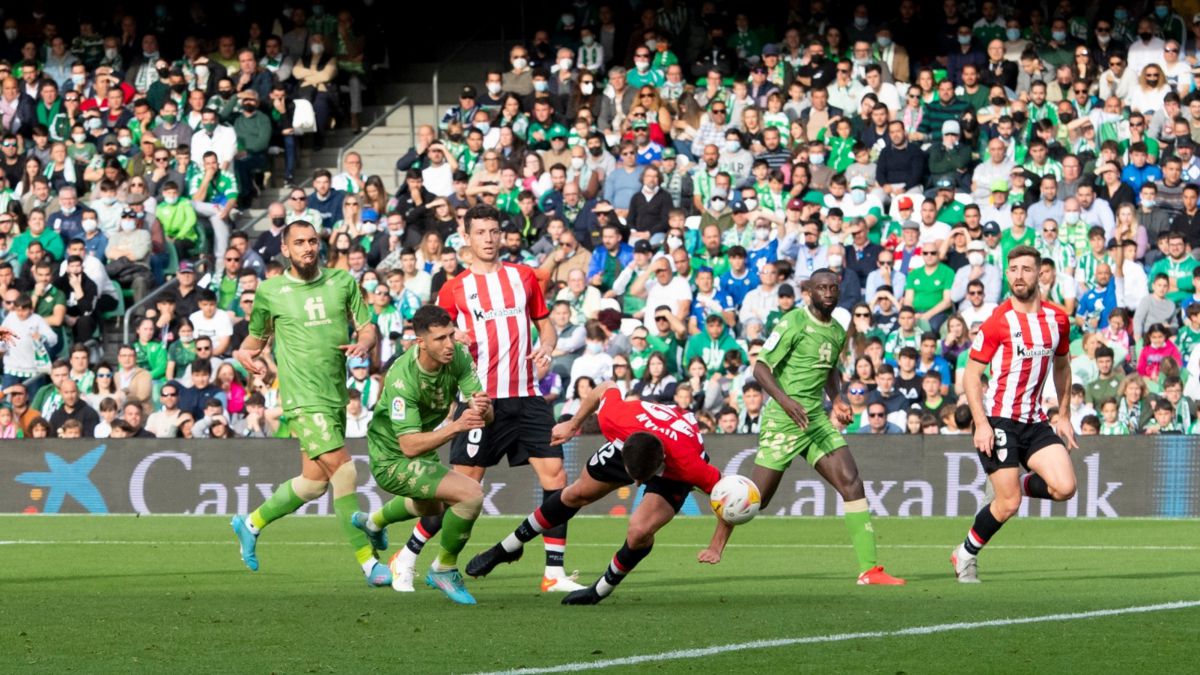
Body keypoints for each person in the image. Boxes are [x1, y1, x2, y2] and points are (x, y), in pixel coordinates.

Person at [392, 205, 581, 594]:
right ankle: (407, 555)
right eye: (481, 233)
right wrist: (454, 338)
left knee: (556, 479)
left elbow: (545, 325)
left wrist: (546, 345)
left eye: (494, 231)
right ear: (467, 238)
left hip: (528, 396)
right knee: (463, 489)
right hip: (480, 400)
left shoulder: (523, 277)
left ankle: (554, 573)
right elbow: (432, 341)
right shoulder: (454, 288)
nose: (490, 239)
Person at [465, 381, 732, 605]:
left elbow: (728, 498)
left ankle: (599, 590)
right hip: (637, 435)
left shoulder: (691, 465)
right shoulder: (613, 418)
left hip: (675, 453)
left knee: (639, 531)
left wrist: (716, 546)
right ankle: (507, 548)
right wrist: (573, 424)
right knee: (574, 495)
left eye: (643, 480)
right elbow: (605, 387)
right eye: (634, 478)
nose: (637, 485)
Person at [229, 220, 388, 587]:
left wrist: (364, 342)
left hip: (334, 392)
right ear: (285, 249)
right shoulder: (270, 291)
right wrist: (243, 354)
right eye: (299, 242)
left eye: (313, 241)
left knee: (314, 484)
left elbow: (366, 326)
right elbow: (254, 341)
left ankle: (250, 524)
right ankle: (369, 563)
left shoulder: (343, 282)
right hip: (301, 398)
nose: (307, 247)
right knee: (345, 472)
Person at [741, 270, 905, 585]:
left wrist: (838, 399)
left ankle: (869, 569)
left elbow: (829, 369)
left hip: (814, 418)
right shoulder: (793, 322)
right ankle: (718, 537)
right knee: (755, 500)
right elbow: (760, 368)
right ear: (810, 291)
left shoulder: (838, 330)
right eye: (822, 288)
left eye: (833, 287)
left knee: (852, 482)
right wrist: (786, 402)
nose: (828, 292)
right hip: (783, 420)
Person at [951, 246, 1077, 583]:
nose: (1018, 276)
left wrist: (1063, 414)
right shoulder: (998, 321)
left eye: (1026, 269)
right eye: (1013, 269)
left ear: (1040, 274)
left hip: (1035, 420)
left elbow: (1063, 365)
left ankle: (1015, 483)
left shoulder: (1057, 319)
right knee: (1008, 505)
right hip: (998, 419)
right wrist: (981, 424)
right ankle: (965, 554)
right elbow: (971, 375)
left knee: (1065, 488)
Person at [351, 305, 492, 604]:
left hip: (423, 447)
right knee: (470, 494)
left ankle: (373, 521)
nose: (449, 345)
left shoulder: (459, 358)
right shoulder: (403, 378)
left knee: (432, 509)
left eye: (451, 335)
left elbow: (483, 414)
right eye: (440, 338)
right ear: (421, 343)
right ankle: (444, 568)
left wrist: (484, 407)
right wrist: (455, 427)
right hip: (393, 458)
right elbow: (409, 446)